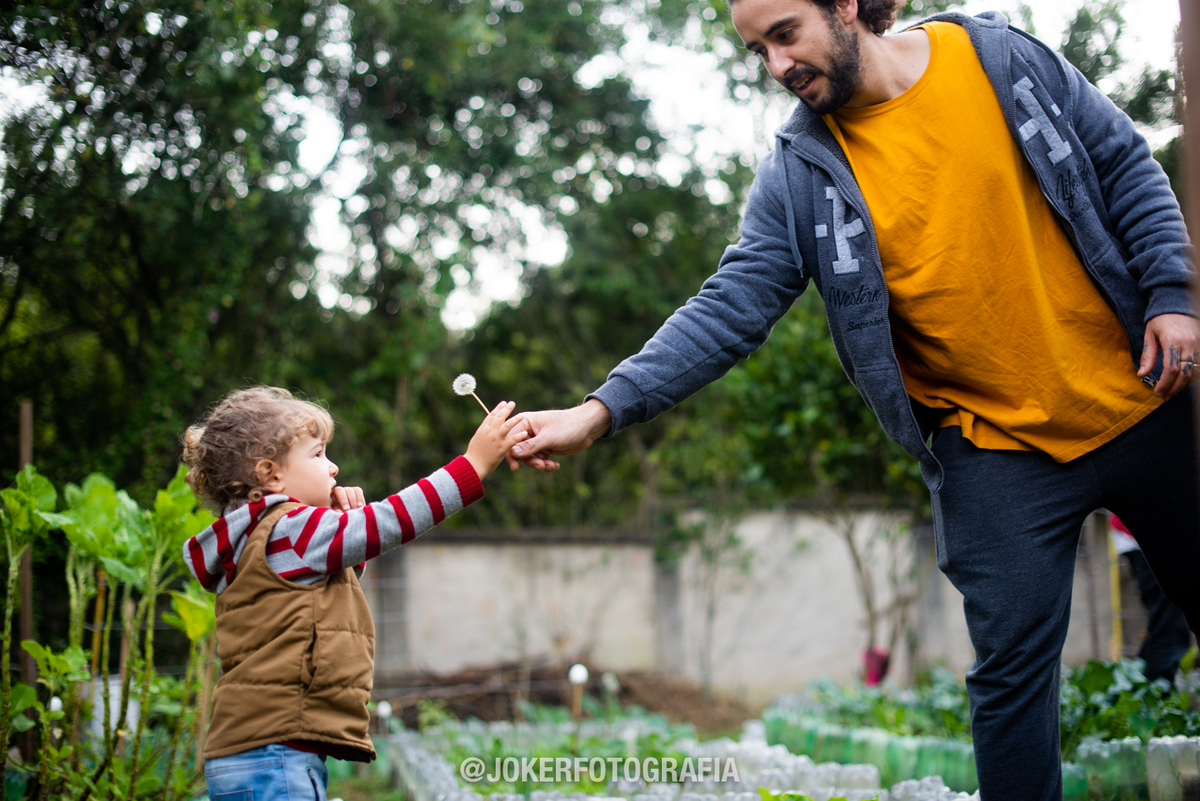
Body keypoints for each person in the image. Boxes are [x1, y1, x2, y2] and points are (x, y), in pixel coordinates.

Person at [507, 0, 1200, 798]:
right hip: (999, 448)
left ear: (846, 6)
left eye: (785, 34)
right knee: (1010, 681)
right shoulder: (801, 171)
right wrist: (598, 411)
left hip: (1145, 391)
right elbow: (732, 303)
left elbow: (1124, 162)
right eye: (756, 49)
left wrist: (1173, 294)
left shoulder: (1001, 61)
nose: (775, 65)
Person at [181, 386, 526, 800]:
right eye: (318, 454)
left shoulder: (254, 536)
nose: (334, 468)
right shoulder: (288, 527)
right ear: (270, 474)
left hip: (251, 749)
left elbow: (314, 599)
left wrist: (340, 522)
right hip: (276, 753)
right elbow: (389, 522)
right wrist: (473, 464)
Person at [1109, 512, 1194, 686]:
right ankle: (1154, 699)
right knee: (1169, 628)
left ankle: (1138, 693)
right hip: (1152, 533)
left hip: (1155, 532)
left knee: (1165, 624)